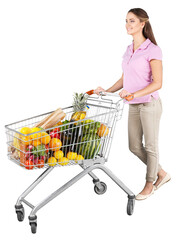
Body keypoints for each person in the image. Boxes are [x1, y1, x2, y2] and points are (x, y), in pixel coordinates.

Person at [94, 8, 171, 200]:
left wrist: (134, 93)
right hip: (134, 105)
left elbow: (158, 83)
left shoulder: (153, 49)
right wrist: (107, 90)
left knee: (151, 146)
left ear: (143, 24)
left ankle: (149, 184)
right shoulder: (129, 49)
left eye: (132, 21)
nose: (127, 25)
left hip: (149, 105)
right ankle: (161, 173)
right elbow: (125, 78)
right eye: (126, 21)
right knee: (134, 146)